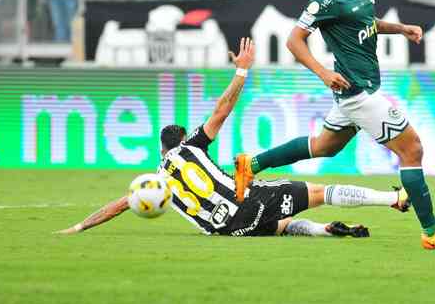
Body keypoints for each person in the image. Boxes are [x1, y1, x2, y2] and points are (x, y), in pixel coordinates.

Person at [234, 0, 435, 251]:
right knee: (412, 150)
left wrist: (401, 29)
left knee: (324, 146)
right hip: (358, 93)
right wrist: (323, 73)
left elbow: (366, 22)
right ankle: (432, 232)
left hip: (356, 89)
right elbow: (294, 40)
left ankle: (250, 164)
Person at [55, 38, 410, 238]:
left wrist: (80, 225)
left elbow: (120, 205)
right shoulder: (190, 146)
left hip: (225, 229)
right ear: (180, 140)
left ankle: (325, 231)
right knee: (319, 192)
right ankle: (392, 199)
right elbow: (221, 111)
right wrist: (241, 70)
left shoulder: (157, 181)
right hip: (246, 204)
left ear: (160, 149)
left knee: (281, 224)